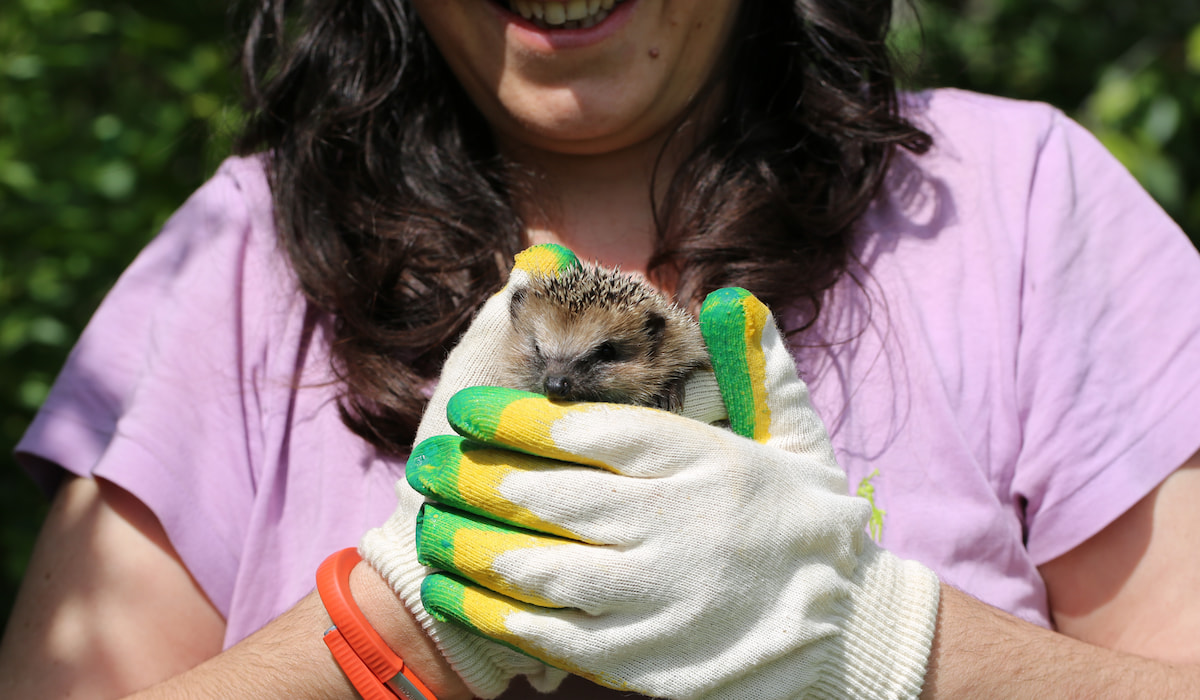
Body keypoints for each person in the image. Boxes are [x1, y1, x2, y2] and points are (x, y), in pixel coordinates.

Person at [2, 0, 1200, 696]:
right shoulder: (239, 256)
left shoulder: (1016, 203)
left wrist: (871, 642)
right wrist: (399, 623)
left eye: (602, 363)